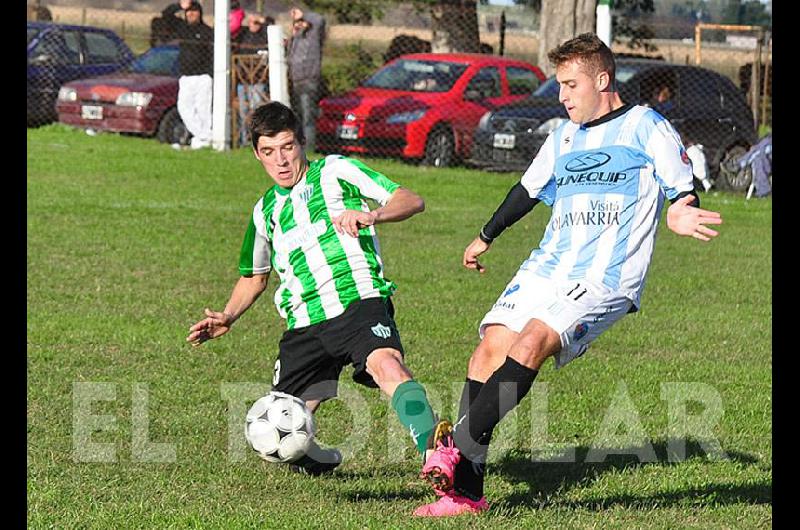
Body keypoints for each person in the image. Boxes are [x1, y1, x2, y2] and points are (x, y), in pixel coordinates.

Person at [415, 33, 723, 517]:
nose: (561, 96)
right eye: (559, 85)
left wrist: (683, 210)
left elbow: (681, 186)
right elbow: (527, 190)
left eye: (570, 85)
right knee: (489, 348)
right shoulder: (562, 135)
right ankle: (466, 493)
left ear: (603, 80)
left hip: (605, 277)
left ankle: (455, 445)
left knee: (531, 341)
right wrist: (486, 235)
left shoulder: (646, 126)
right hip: (548, 264)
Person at [186, 101, 450, 475]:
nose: (280, 160)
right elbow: (254, 276)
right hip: (305, 321)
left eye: (287, 147)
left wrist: (372, 214)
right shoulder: (265, 211)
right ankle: (312, 461)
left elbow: (411, 200)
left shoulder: (335, 171)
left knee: (386, 365)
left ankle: (436, 452)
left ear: (302, 143)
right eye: (268, 152)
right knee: (286, 417)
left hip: (357, 299)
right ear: (257, 155)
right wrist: (228, 315)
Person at [171, 0, 214, 150]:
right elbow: (165, 16)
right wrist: (179, 5)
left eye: (194, 11)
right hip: (186, 77)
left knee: (203, 109)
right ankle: (206, 136)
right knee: (184, 107)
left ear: (200, 13)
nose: (191, 14)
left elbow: (212, 54)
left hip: (203, 77)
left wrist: (210, 73)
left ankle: (203, 139)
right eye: (188, 12)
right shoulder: (182, 29)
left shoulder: (207, 31)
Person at [287, 5, 326, 153]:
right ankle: (297, 146)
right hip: (295, 81)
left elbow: (320, 20)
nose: (298, 25)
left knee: (308, 116)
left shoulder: (313, 35)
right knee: (297, 116)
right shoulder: (296, 39)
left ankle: (308, 149)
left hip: (308, 80)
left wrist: (304, 16)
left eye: (301, 23)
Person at [233, 14, 272, 147]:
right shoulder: (243, 35)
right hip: (242, 80)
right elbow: (234, 29)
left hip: (258, 81)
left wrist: (262, 20)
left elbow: (273, 30)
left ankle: (257, 139)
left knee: (256, 110)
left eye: (256, 23)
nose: (254, 25)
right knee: (243, 112)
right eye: (251, 22)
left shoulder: (263, 36)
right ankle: (244, 140)